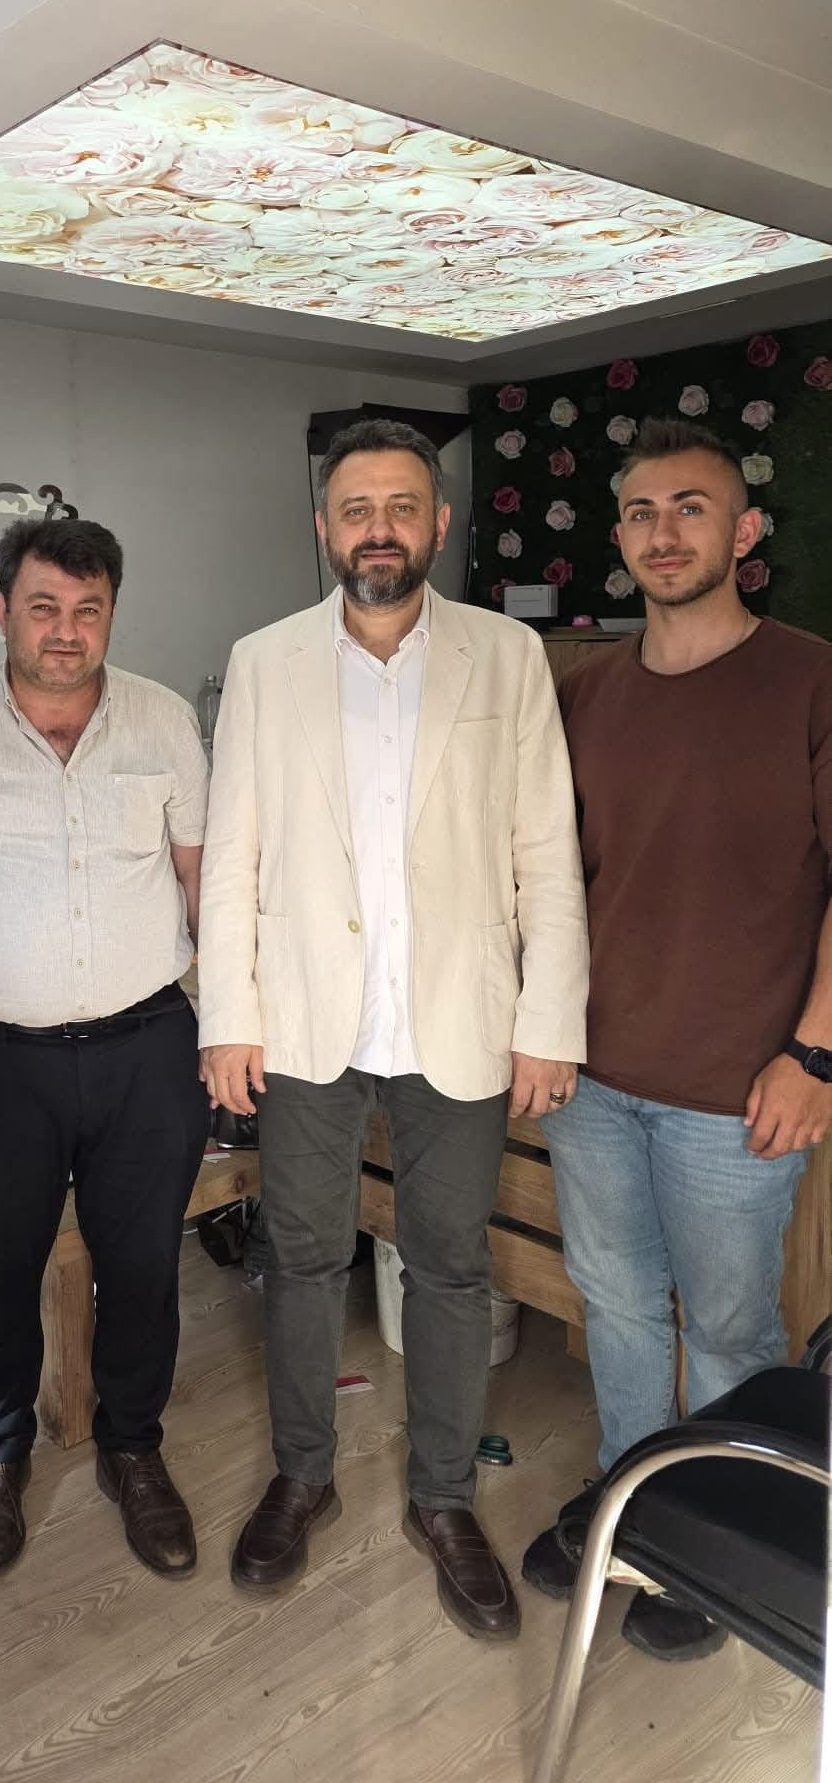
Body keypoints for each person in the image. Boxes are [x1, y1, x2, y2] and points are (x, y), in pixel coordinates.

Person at [199, 418, 588, 1641]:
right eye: (358, 507)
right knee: (303, 1253)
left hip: (459, 1017)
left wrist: (550, 1020)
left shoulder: (506, 654)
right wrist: (228, 1015)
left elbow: (546, 849)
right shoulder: (263, 660)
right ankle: (303, 1473)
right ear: (325, 525)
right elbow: (234, 854)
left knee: (452, 1263)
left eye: (402, 506)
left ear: (439, 521)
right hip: (307, 1014)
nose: (380, 528)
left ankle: (444, 1496)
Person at [522, 418, 832, 1659]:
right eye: (644, 510)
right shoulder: (585, 692)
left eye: (691, 507)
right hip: (593, 1076)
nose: (665, 531)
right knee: (616, 1304)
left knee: (730, 1328)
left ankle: (713, 1533)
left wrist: (815, 1054)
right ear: (619, 535)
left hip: (738, 1088)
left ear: (743, 530)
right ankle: (631, 1501)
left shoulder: (810, 679)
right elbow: (549, 879)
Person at [0, 517, 211, 1577]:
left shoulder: (164, 720)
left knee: (143, 1262)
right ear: (2, 610)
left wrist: (225, 1023)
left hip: (147, 1045)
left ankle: (133, 1445)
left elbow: (203, 883)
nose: (65, 630)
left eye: (88, 609)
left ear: (111, 612)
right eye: (43, 607)